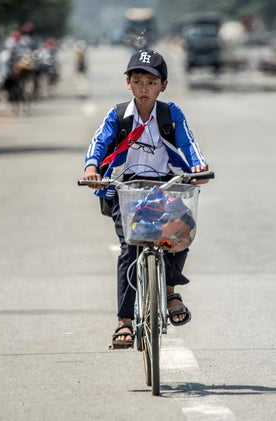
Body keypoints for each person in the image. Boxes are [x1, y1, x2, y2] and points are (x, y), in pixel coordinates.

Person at [83, 49, 209, 349]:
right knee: (130, 248)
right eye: (137, 80)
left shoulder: (170, 114)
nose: (143, 88)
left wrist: (198, 168)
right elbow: (99, 143)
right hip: (125, 188)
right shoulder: (117, 116)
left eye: (151, 82)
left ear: (162, 86)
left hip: (165, 186)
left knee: (181, 230)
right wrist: (91, 168)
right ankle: (124, 322)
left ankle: (168, 290)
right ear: (128, 83)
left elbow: (189, 144)